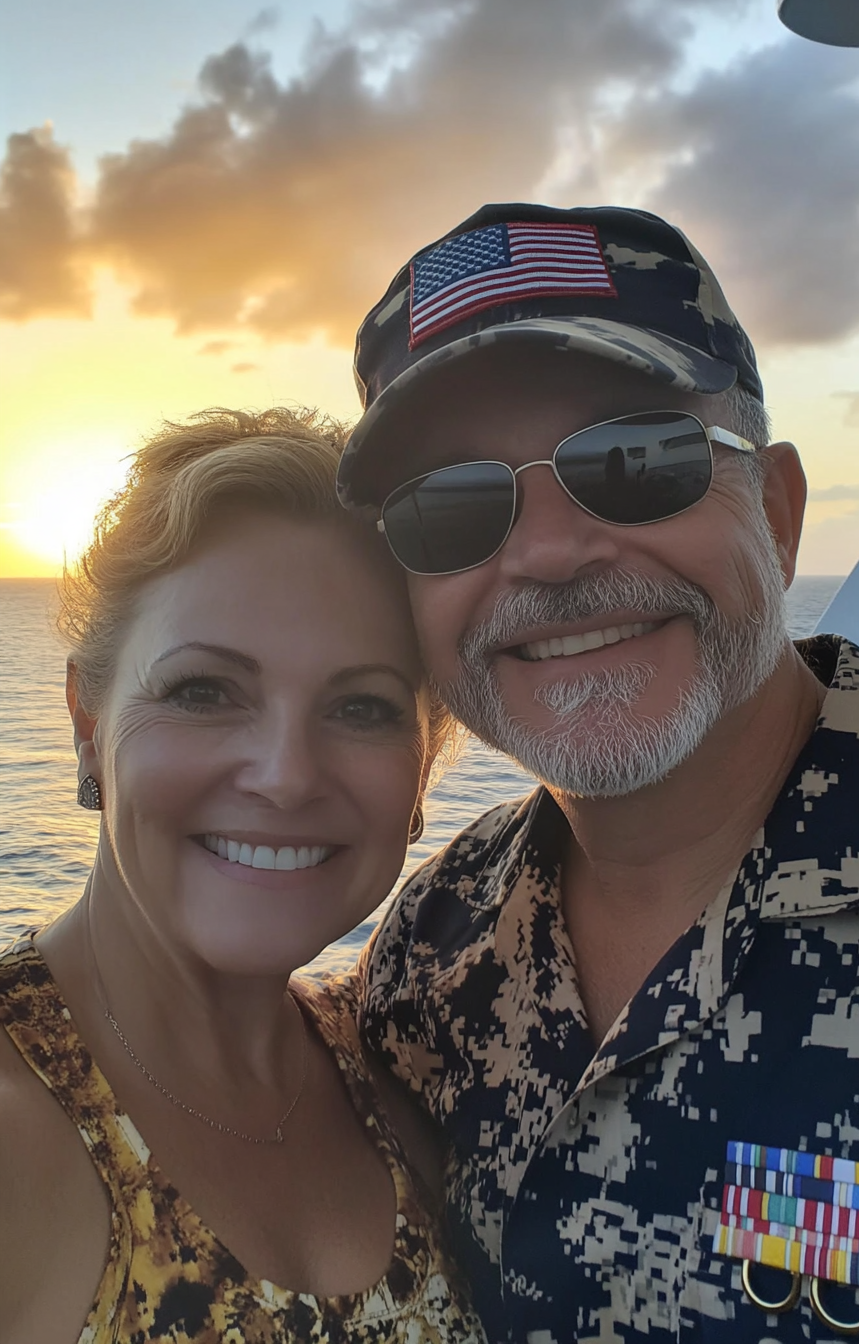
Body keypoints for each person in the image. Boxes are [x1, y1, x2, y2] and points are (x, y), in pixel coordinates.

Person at [336, 203, 859, 1343]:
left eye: (633, 460)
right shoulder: (425, 956)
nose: (546, 552)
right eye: (452, 505)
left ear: (777, 514)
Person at [0, 407, 486, 1344]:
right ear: (88, 722)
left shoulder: (396, 1077)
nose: (287, 774)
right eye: (203, 691)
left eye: (361, 707)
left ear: (424, 766)